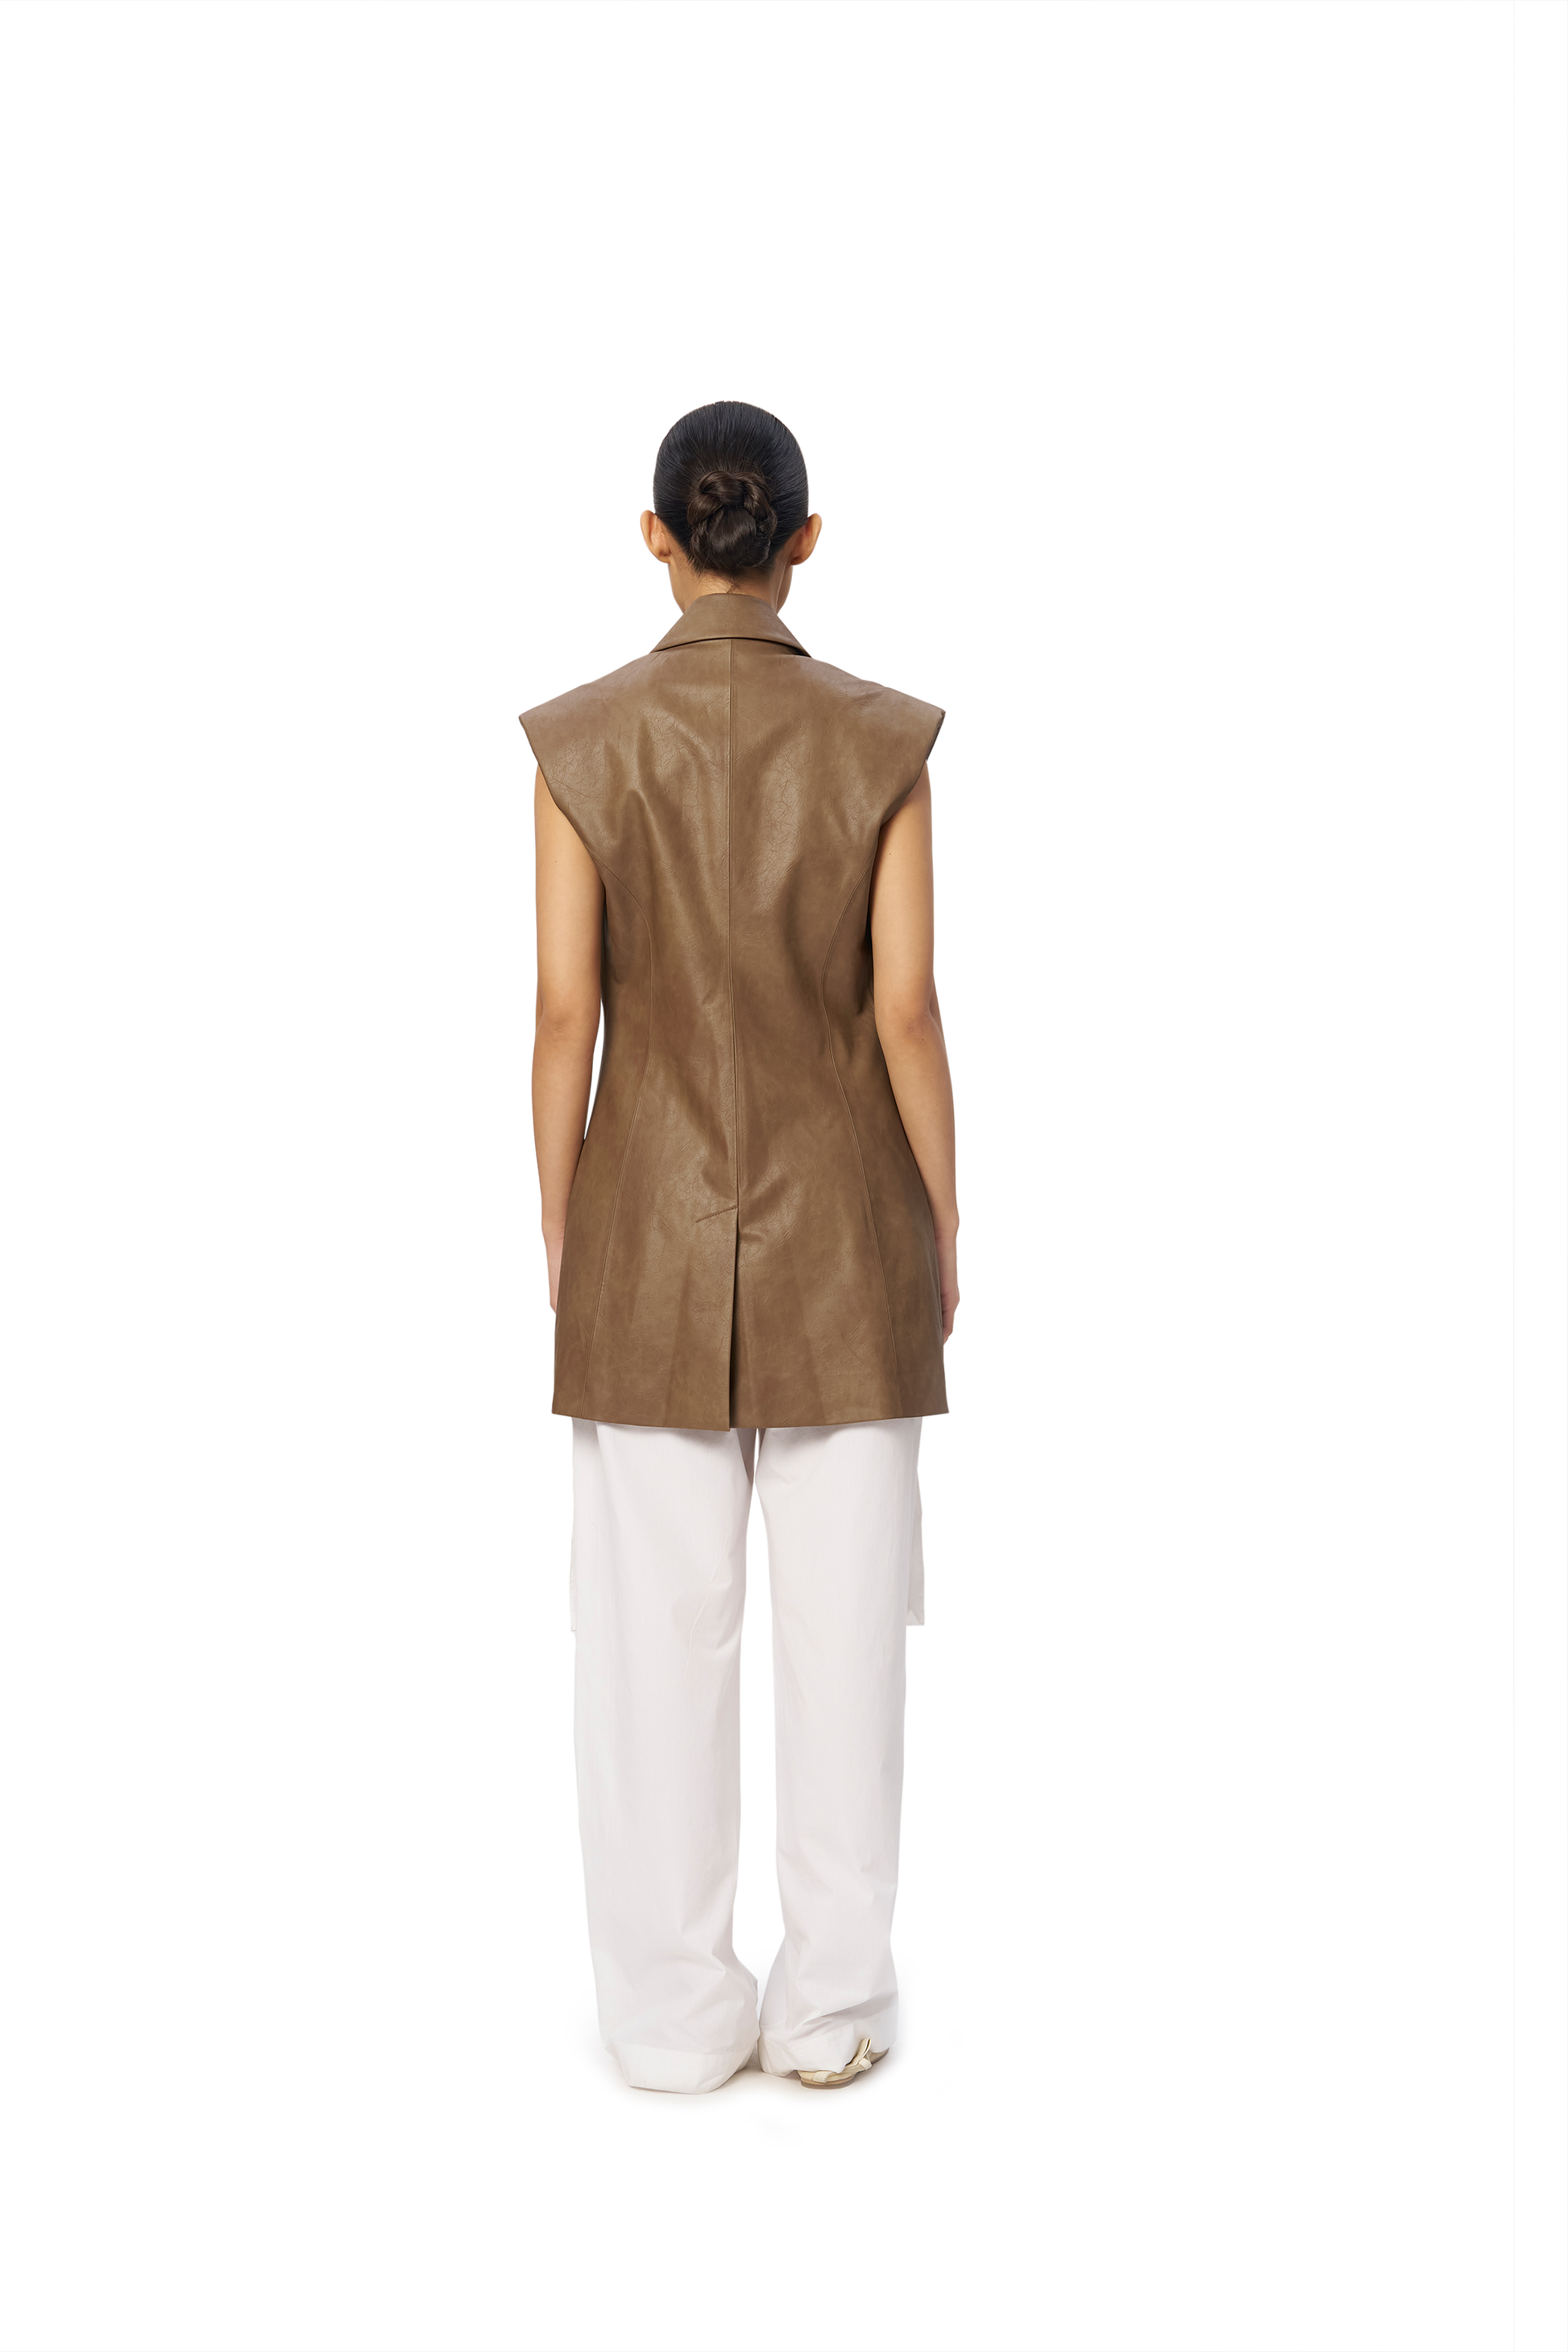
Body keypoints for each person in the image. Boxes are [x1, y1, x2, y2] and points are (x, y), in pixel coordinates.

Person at [521, 400, 959, 2094]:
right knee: (845, 1640)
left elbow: (565, 1013)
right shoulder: (884, 741)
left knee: (650, 1647)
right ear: (803, 538)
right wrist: (943, 1217)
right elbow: (904, 1009)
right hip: (847, 1238)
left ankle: (668, 2020)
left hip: (642, 1232)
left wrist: (564, 1224)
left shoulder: (579, 743)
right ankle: (830, 2008)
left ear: (657, 537)